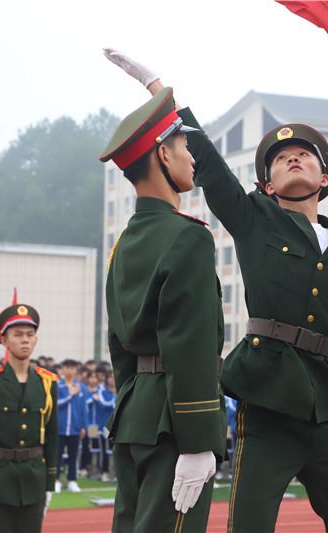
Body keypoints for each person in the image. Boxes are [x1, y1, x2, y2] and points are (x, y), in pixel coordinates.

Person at [104, 48, 328, 533]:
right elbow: (208, 165)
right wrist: (161, 93)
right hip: (268, 398)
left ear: (324, 178)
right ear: (266, 185)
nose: (292, 157)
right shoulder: (254, 218)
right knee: (249, 523)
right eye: (280, 159)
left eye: (304, 155)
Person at [99, 84, 226, 533]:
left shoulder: (124, 244)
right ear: (163, 154)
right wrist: (198, 439)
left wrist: (134, 404)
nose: (192, 159)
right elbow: (191, 343)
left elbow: (119, 345)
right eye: (185, 147)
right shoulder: (188, 237)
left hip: (135, 415)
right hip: (175, 423)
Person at [0, 304, 58, 532]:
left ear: (36, 339)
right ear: (4, 340)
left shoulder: (47, 382)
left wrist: (49, 483)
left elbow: (51, 435)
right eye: (18, 335)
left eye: (30, 334)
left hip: (34, 480)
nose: (25, 340)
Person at [55, 359, 89, 492]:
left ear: (76, 370)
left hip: (75, 428)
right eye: (67, 367)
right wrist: (70, 395)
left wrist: (84, 426)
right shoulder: (57, 386)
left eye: (73, 368)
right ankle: (56, 480)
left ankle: (72, 480)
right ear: (62, 369)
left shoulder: (82, 387)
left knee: (73, 456)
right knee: (57, 455)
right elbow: (55, 404)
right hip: (60, 427)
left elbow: (84, 408)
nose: (70, 370)